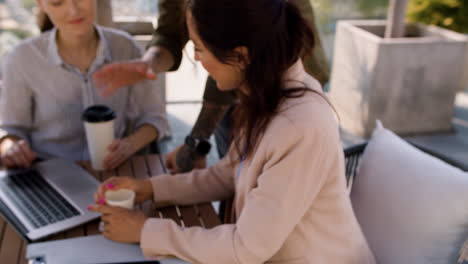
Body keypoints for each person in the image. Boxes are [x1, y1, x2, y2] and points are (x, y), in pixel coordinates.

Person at [89, 0, 376, 263]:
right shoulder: (266, 95)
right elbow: (229, 173)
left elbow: (245, 249)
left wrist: (145, 230)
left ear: (240, 56)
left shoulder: (299, 126)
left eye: (199, 48)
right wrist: (151, 189)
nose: (198, 60)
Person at [92, 0, 330, 174]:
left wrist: (197, 140)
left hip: (276, 85)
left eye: (199, 49)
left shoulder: (297, 120)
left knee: (252, 182)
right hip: (240, 83)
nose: (196, 58)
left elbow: (232, 57)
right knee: (238, 178)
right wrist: (148, 63)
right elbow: (170, 32)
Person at [0, 0, 168, 170]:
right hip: (49, 175)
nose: (73, 11)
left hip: (116, 175)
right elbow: (11, 130)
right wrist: (12, 149)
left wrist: (129, 145)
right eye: (57, 3)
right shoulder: (22, 58)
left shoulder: (126, 47)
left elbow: (155, 118)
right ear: (41, 4)